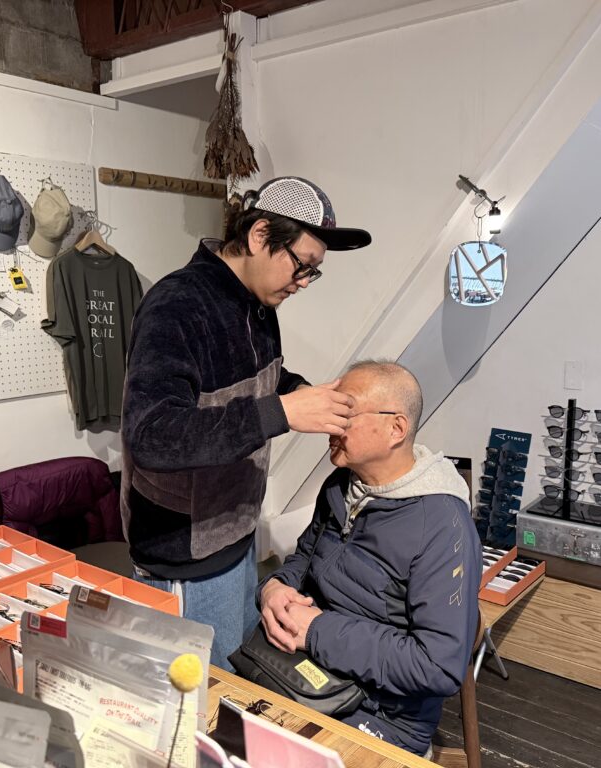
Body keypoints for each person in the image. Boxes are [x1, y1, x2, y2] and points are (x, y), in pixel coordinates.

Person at [122, 176, 372, 671]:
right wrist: (282, 413)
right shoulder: (177, 305)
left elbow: (260, 380)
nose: (304, 282)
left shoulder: (257, 305)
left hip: (236, 531)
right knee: (203, 695)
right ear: (259, 236)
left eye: (314, 272)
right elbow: (152, 436)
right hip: (184, 555)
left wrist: (301, 393)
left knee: (238, 674)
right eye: (302, 265)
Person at [257, 361, 482, 756]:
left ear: (396, 428)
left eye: (346, 411)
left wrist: (317, 630)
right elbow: (305, 558)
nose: (329, 423)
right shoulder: (340, 487)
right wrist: (276, 586)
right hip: (308, 676)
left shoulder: (443, 525)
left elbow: (438, 666)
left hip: (383, 718)